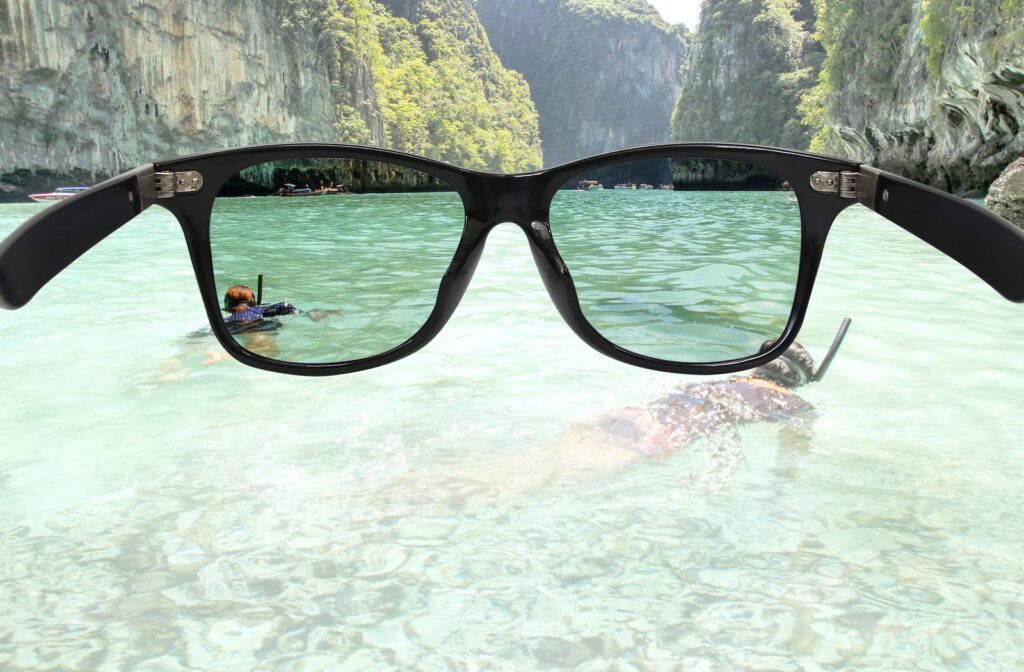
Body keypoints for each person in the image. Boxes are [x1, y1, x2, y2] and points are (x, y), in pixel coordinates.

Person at [393, 338, 840, 504]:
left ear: (758, 364)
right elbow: (794, 449)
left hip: (627, 416)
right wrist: (784, 484)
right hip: (655, 435)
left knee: (536, 462)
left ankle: (409, 486)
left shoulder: (726, 379)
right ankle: (415, 495)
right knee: (534, 482)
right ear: (793, 382)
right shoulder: (782, 400)